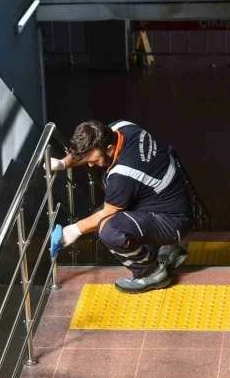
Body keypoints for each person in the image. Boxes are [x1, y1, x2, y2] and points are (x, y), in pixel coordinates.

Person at [47, 120, 194, 293]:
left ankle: (151, 273)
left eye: (95, 160)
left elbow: (107, 213)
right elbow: (86, 151)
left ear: (109, 149)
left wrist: (72, 231)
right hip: (165, 202)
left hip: (172, 221)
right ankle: (166, 250)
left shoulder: (124, 174)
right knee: (103, 218)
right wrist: (63, 163)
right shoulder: (120, 127)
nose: (90, 165)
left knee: (109, 228)